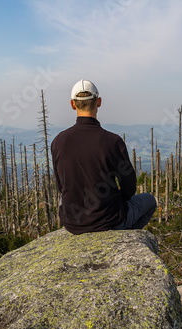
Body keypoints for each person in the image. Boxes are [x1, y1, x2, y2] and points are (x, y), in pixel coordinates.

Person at [51, 79, 157, 235]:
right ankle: (125, 235)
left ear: (73, 104)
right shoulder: (112, 141)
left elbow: (61, 186)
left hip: (72, 223)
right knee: (149, 200)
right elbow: (129, 186)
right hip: (109, 220)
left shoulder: (58, 141)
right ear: (98, 102)